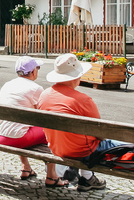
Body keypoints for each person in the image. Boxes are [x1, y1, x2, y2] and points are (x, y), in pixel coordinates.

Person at [38, 53, 122, 192]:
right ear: (76, 77)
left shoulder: (44, 95)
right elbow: (100, 133)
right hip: (81, 151)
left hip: (56, 147)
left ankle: (88, 178)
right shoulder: (83, 100)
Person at [0, 56, 67, 187]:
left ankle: (25, 167)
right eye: (37, 68)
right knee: (52, 129)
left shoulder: (8, 84)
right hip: (12, 138)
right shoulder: (35, 88)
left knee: (19, 125)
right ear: (33, 71)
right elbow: (44, 114)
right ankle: (52, 176)